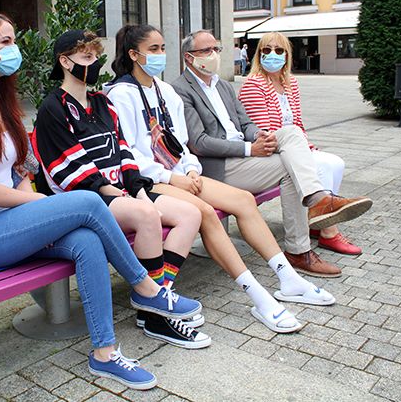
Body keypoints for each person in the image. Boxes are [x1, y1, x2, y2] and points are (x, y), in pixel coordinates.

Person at [0, 12, 203, 390]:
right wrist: (42, 206)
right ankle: (147, 289)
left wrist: (40, 208)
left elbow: (22, 173)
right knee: (87, 203)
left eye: (14, 41)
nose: (15, 49)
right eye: (5, 42)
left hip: (13, 225)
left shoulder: (2, 104)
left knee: (87, 240)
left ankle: (105, 353)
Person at [104, 24, 337, 335]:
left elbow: (181, 143)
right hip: (147, 180)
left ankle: (288, 277)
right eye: (153, 49)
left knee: (243, 200)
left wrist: (190, 170)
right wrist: (173, 177)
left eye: (163, 48)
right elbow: (130, 153)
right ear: (134, 55)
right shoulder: (121, 94)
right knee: (204, 213)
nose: (161, 55)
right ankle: (256, 295)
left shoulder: (165, 91)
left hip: (181, 173)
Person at [32, 29, 210, 349]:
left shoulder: (102, 103)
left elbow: (123, 151)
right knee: (146, 215)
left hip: (122, 193)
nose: (94, 64)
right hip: (86, 200)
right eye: (86, 57)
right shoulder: (52, 108)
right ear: (65, 61)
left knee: (189, 214)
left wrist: (137, 189)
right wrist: (113, 192)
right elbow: (66, 167)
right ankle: (157, 313)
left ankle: (157, 299)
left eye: (95, 57)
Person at [173, 30, 373, 277]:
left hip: (244, 158)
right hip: (218, 167)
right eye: (206, 50)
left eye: (216, 49)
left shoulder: (222, 85)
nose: (214, 54)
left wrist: (259, 135)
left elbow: (245, 124)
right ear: (189, 57)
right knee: (291, 168)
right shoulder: (180, 89)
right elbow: (199, 143)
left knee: (292, 134)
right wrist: (250, 148)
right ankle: (302, 243)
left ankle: (315, 204)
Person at [238, 31, 371, 256]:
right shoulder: (254, 84)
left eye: (279, 50)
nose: (273, 54)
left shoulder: (290, 83)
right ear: (259, 55)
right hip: (270, 148)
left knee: (335, 163)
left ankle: (320, 218)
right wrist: (299, 147)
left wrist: (306, 145)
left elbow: (297, 122)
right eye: (267, 50)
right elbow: (264, 132)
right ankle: (328, 231)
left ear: (287, 55)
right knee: (321, 166)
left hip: (293, 144)